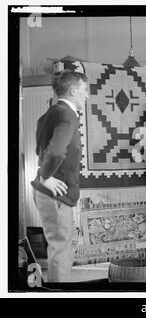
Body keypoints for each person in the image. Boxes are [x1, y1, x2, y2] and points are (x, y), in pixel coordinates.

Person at [31, 70, 89, 282]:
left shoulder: (47, 115)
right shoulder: (67, 115)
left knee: (60, 248)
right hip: (55, 196)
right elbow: (55, 151)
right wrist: (46, 176)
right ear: (73, 90)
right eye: (84, 90)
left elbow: (41, 150)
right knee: (60, 251)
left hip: (51, 194)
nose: (87, 95)